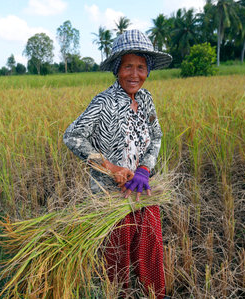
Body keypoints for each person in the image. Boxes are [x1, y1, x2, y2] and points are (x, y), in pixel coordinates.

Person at [63, 29, 172, 299]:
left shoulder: (146, 100)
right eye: (128, 67)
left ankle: (153, 294)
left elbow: (156, 135)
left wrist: (145, 168)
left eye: (141, 67)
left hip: (142, 191)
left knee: (149, 250)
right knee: (115, 260)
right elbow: (72, 136)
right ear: (116, 69)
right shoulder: (103, 102)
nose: (135, 74)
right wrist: (111, 169)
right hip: (109, 199)